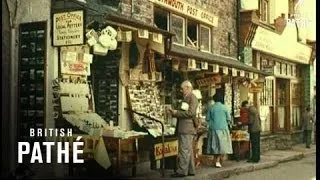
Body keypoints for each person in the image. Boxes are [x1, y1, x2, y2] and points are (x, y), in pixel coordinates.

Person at [168, 80, 198, 178]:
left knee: (184, 150)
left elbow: (191, 113)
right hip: (185, 127)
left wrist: (176, 113)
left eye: (182, 88)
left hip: (187, 128)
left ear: (188, 88)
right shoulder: (186, 98)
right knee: (188, 149)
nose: (181, 91)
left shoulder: (192, 98)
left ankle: (182, 171)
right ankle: (190, 170)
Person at [206, 93, 233, 168]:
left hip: (213, 129)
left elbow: (207, 119)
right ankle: (218, 161)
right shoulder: (225, 107)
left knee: (215, 146)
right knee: (222, 146)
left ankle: (216, 160)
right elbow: (229, 118)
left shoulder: (211, 108)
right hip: (223, 128)